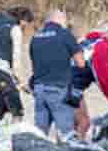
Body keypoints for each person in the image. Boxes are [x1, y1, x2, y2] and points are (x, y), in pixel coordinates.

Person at [29, 9, 87, 140]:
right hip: (58, 89)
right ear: (60, 20)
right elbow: (81, 63)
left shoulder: (35, 37)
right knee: (65, 133)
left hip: (39, 90)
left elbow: (35, 64)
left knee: (40, 134)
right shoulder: (64, 34)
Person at [71, 23, 108, 139]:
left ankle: (72, 149)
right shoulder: (102, 48)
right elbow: (104, 80)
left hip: (67, 85)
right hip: (70, 87)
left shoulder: (87, 42)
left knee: (78, 124)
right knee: (83, 123)